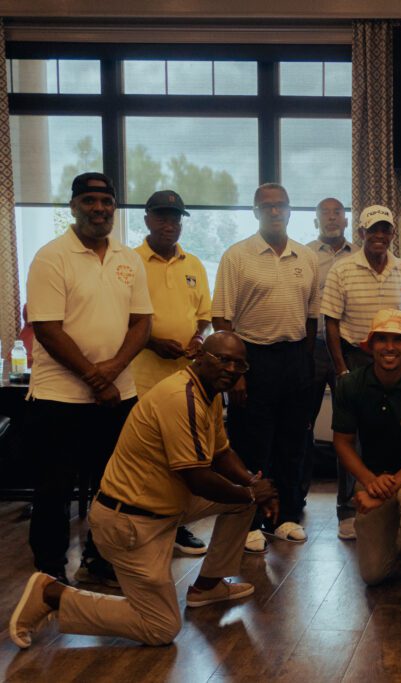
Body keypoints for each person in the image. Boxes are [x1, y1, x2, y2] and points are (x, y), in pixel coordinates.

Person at [8, 332, 279, 649]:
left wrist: (251, 483)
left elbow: (221, 454)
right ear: (199, 356)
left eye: (239, 364)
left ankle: (207, 587)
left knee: (239, 500)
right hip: (131, 524)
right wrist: (251, 494)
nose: (232, 369)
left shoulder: (209, 393)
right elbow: (197, 477)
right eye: (223, 359)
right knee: (160, 627)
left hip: (165, 505)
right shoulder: (182, 398)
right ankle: (52, 595)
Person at [25, 172, 153, 587]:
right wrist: (96, 378)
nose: (99, 208)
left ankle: (101, 560)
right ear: (73, 206)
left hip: (118, 395)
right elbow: (46, 328)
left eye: (106, 201)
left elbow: (142, 322)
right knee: (54, 491)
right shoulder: (51, 256)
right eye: (89, 200)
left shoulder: (127, 257)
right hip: (59, 396)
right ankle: (49, 572)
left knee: (113, 488)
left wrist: (113, 371)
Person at [212, 183, 320, 553]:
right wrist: (236, 372)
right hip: (252, 359)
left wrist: (305, 364)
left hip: (294, 359)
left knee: (293, 444)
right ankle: (251, 521)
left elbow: (311, 318)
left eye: (281, 206)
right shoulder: (237, 256)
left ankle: (287, 517)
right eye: (267, 207)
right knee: (250, 444)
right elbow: (221, 318)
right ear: (255, 212)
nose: (275, 212)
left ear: (290, 212)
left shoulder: (306, 257)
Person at [332, 309, 401, 627]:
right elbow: (342, 443)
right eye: (381, 339)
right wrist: (370, 482)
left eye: (398, 340)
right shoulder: (351, 386)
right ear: (369, 346)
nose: (390, 347)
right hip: (374, 477)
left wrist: (384, 490)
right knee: (372, 575)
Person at [130, 189, 212, 557]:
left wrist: (198, 338)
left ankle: (178, 526)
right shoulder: (129, 262)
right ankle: (143, 526)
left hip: (185, 378)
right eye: (162, 217)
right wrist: (151, 342)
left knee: (183, 456)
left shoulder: (193, 263)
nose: (169, 224)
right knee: (147, 456)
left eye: (176, 218)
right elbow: (120, 320)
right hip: (141, 377)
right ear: (146, 218)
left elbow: (204, 317)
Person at [322, 205, 401, 540]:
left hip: (394, 360)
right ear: (360, 234)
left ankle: (388, 505)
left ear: (391, 234)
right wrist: (342, 370)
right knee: (351, 437)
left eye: (385, 230)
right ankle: (348, 509)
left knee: (391, 434)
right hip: (355, 360)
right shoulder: (342, 270)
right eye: (372, 230)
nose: (379, 236)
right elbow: (330, 323)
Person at [303, 197, 355, 536]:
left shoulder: (358, 257)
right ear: (316, 220)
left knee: (348, 428)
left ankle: (347, 509)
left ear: (347, 221)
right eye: (324, 212)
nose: (332, 217)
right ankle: (294, 502)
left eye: (338, 212)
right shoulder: (304, 255)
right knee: (300, 424)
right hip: (308, 347)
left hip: (345, 350)